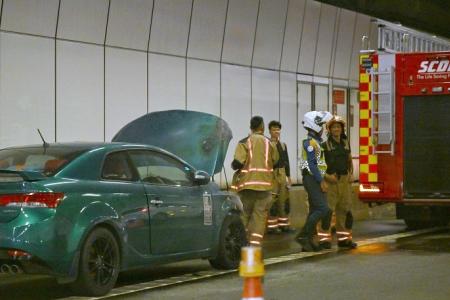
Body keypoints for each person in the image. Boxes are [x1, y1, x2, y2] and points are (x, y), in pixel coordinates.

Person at [231, 116, 279, 247]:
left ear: (251, 127)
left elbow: (237, 163)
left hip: (247, 187)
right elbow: (276, 162)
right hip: (265, 188)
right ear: (262, 128)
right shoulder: (270, 143)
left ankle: (240, 245)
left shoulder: (244, 142)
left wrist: (233, 165)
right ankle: (255, 247)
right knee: (259, 217)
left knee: (244, 215)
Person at [296, 111, 334, 252]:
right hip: (312, 178)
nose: (323, 128)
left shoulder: (316, 142)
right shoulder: (310, 143)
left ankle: (308, 241)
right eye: (321, 124)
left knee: (314, 210)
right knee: (323, 209)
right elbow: (312, 165)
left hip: (314, 177)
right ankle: (303, 236)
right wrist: (321, 181)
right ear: (314, 125)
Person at [318, 115, 357, 249]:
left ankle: (344, 239)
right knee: (327, 212)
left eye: (338, 127)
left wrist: (351, 174)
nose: (336, 129)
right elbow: (319, 166)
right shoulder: (324, 146)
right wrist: (327, 177)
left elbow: (349, 161)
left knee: (345, 211)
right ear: (329, 129)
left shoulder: (345, 143)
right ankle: (324, 240)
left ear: (342, 129)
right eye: (334, 127)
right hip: (331, 182)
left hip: (344, 181)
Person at [267, 120, 292, 233]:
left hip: (282, 173)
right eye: (274, 129)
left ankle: (284, 225)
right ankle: (272, 227)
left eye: (278, 129)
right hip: (272, 174)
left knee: (284, 200)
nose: (276, 131)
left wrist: (288, 176)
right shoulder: (267, 144)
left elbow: (286, 161)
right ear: (270, 131)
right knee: (272, 201)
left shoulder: (283, 145)